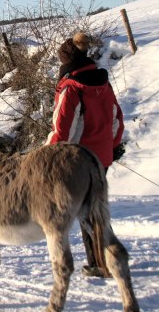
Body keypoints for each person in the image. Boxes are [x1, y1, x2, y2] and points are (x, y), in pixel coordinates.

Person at [45, 32, 124, 277]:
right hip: (102, 156)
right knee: (96, 208)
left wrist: (47, 159)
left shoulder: (71, 88)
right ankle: (102, 259)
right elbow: (116, 119)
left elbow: (62, 131)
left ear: (66, 61)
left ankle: (104, 262)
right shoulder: (103, 82)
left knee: (87, 212)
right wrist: (112, 146)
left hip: (79, 160)